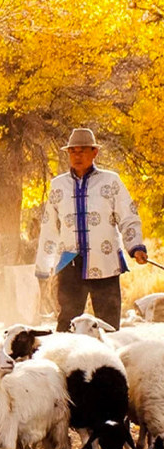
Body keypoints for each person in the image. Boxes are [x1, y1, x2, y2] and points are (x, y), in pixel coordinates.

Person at [35, 128, 148, 331]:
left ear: (94, 152)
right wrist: (44, 267)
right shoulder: (57, 185)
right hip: (69, 263)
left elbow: (129, 217)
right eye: (73, 151)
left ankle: (110, 361)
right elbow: (49, 227)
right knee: (67, 324)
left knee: (108, 325)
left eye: (82, 150)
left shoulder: (111, 181)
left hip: (105, 261)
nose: (77, 156)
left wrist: (135, 246)